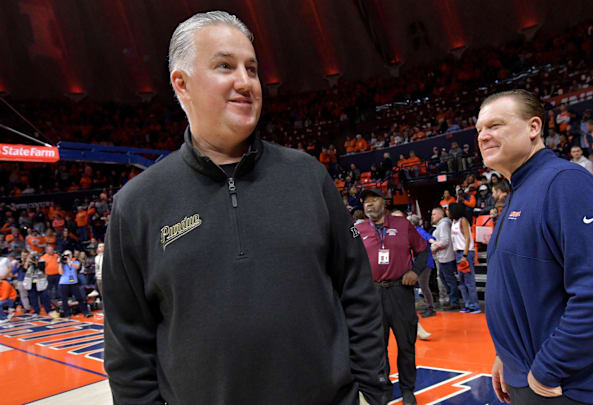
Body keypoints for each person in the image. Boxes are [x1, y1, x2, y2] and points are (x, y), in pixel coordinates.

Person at [104, 11, 388, 405]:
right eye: (225, 66)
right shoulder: (137, 205)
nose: (246, 82)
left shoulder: (308, 176)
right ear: (182, 85)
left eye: (251, 69)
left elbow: (357, 290)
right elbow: (127, 348)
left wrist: (372, 392)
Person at [476, 89, 593, 404]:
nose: (483, 136)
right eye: (479, 129)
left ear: (533, 128)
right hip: (527, 374)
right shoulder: (519, 191)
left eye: (494, 125)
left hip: (564, 388)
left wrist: (548, 369)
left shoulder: (566, 183)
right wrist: (507, 355)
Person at [357, 188, 428, 405]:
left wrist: (415, 271)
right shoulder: (355, 229)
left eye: (373, 200)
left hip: (400, 292)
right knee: (377, 346)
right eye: (365, 202)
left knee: (406, 344)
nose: (368, 204)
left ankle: (407, 389)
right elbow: (344, 252)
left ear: (384, 202)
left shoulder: (403, 224)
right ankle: (383, 389)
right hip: (372, 294)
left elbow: (423, 251)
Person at [447, 202, 480, 313]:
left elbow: (468, 239)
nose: (447, 212)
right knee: (462, 282)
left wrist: (465, 255)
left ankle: (475, 306)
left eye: (448, 210)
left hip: (466, 253)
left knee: (469, 281)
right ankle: (468, 304)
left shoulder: (463, 221)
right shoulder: (453, 222)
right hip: (458, 253)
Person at [430, 207, 460, 310]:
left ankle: (454, 301)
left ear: (440, 215)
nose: (432, 216)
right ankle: (452, 300)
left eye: (434, 214)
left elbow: (445, 241)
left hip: (446, 257)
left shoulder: (443, 224)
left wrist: (433, 247)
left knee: (449, 280)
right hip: (443, 256)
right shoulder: (442, 225)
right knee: (445, 280)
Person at [407, 214, 436, 318]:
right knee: (422, 286)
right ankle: (428, 306)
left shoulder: (419, 231)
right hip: (421, 262)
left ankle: (431, 308)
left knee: (424, 286)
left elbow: (429, 237)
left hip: (425, 263)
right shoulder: (415, 232)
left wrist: (434, 242)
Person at [57, 250, 92, 318]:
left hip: (74, 283)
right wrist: (60, 263)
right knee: (64, 299)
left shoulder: (75, 261)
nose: (67, 256)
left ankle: (85, 312)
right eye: (66, 255)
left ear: (71, 255)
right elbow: (60, 272)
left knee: (79, 298)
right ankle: (67, 314)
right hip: (64, 283)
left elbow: (77, 267)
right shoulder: (62, 264)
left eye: (68, 255)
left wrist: (69, 262)